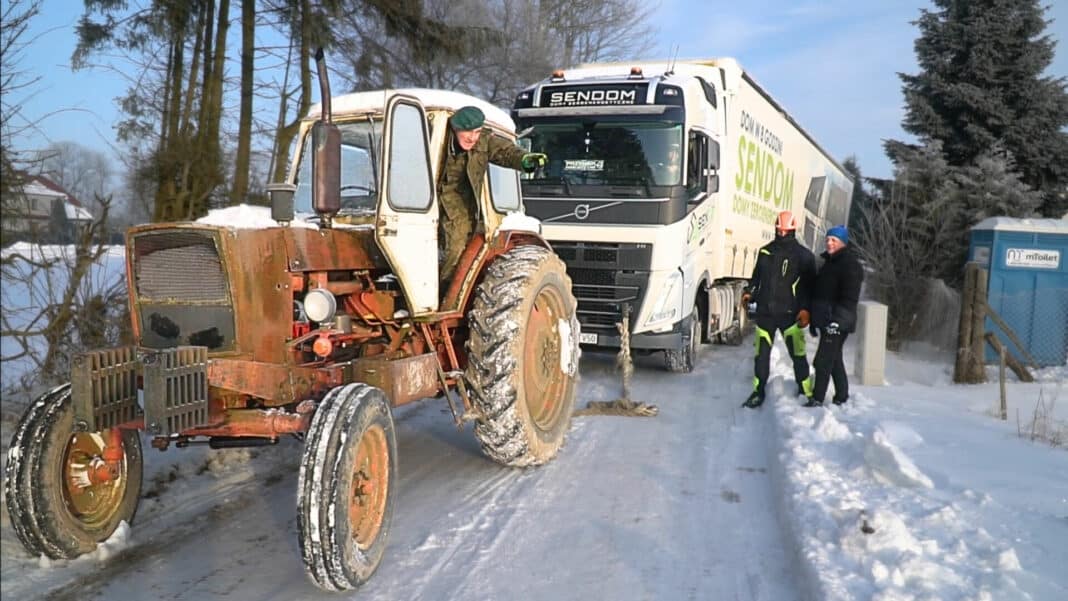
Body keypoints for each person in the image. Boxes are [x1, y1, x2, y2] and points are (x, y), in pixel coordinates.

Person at [438, 105, 547, 282]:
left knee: (456, 250)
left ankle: (446, 292)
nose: (473, 138)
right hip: (431, 204)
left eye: (477, 132)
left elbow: (506, 152)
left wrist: (525, 159)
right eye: (467, 132)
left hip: (462, 208)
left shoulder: (484, 141)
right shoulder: (438, 140)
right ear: (455, 129)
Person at [741, 210, 817, 408]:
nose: (781, 234)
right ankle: (758, 392)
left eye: (785, 231)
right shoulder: (765, 252)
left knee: (798, 355)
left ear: (792, 231)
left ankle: (807, 391)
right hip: (765, 313)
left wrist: (806, 310)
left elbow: (810, 288)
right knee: (761, 357)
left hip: (791, 315)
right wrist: (749, 293)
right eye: (779, 231)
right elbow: (756, 279)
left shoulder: (804, 256)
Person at [807, 224, 865, 407]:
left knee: (823, 361)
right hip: (827, 320)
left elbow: (849, 298)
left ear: (843, 243)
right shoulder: (828, 263)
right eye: (828, 240)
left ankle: (817, 399)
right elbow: (821, 294)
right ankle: (842, 396)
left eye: (834, 240)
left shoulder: (850, 266)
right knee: (834, 359)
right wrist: (814, 320)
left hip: (838, 321)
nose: (829, 243)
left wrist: (837, 322)